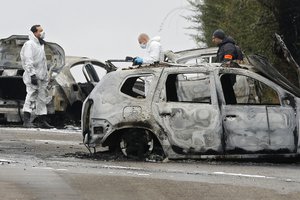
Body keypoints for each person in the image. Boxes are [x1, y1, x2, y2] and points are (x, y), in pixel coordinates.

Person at [20, 25, 54, 128]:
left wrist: (46, 75)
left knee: (42, 99)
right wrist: (32, 75)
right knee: (30, 96)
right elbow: (28, 61)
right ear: (34, 33)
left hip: (42, 76)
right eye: (40, 31)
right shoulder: (29, 44)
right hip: (33, 76)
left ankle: (42, 120)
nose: (42, 33)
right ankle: (26, 121)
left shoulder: (40, 44)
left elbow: (42, 62)